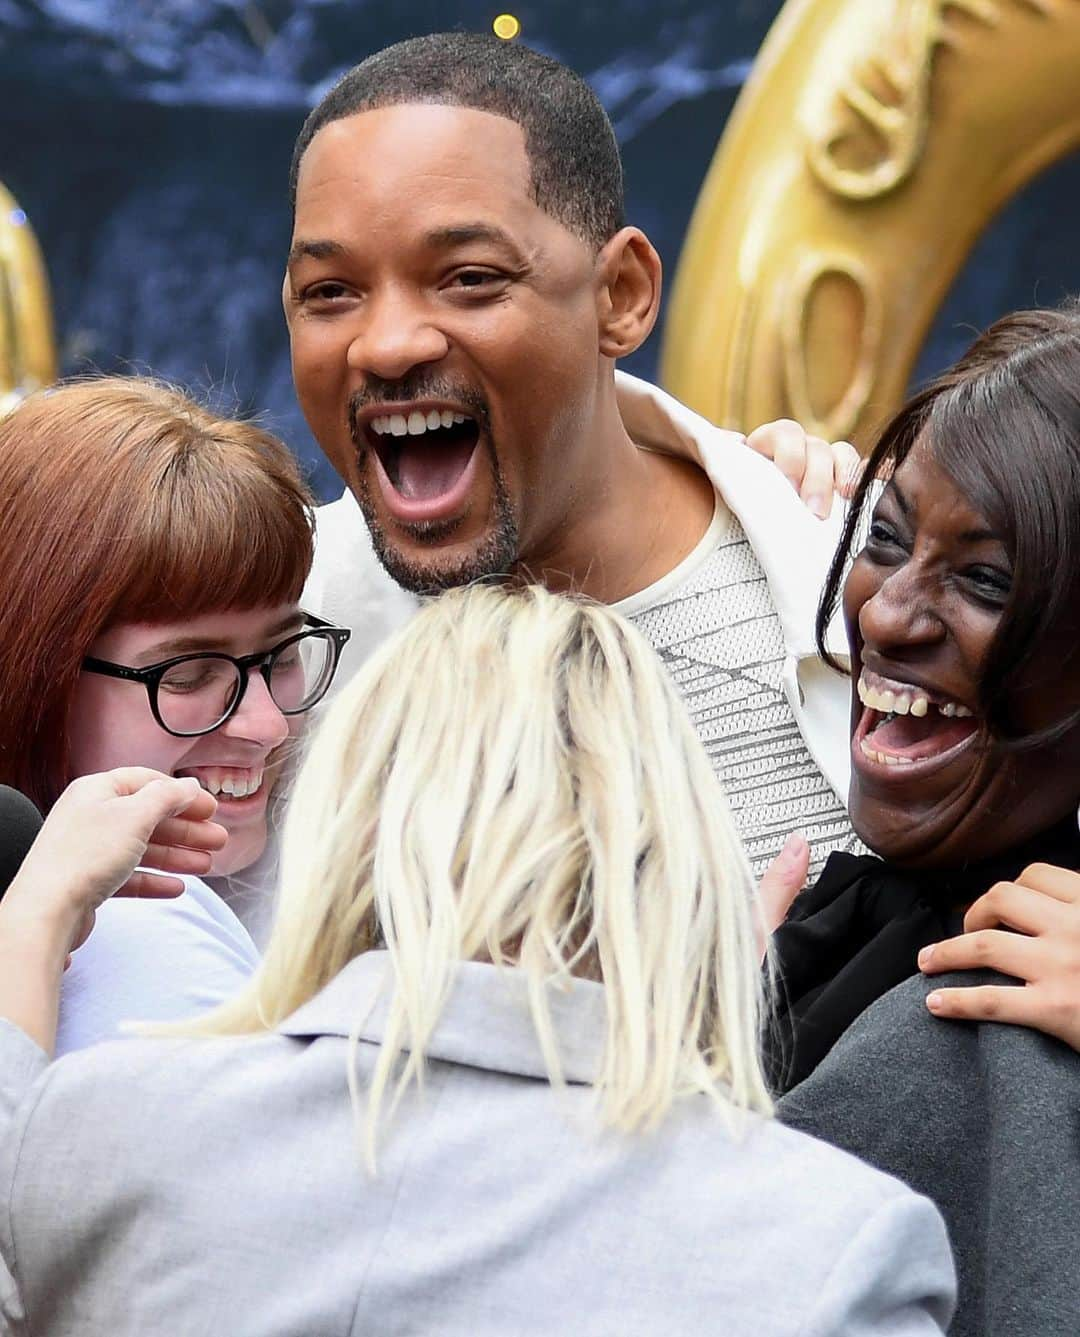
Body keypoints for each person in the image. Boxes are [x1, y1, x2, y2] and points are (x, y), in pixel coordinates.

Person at [0, 585, 954, 1335]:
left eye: (281, 658)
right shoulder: (833, 1247)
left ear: (358, 821)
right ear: (671, 855)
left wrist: (34, 915)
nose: (261, 723)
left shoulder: (92, 1128)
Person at [290, 32, 862, 880]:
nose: (388, 345)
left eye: (468, 277)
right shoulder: (257, 666)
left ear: (620, 295)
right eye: (331, 293)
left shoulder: (869, 591)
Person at [762, 306, 1080, 1336]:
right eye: (884, 539)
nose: (889, 614)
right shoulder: (807, 937)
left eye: (987, 579)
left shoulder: (1012, 1033)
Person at [0, 376, 351, 1052]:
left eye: (282, 656)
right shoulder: (143, 931)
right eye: (188, 674)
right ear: (33, 675)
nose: (267, 725)